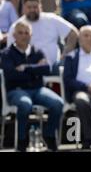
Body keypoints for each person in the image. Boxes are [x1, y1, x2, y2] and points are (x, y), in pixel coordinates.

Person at [1, 20, 63, 151]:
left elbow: (47, 69)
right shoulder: (6, 54)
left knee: (58, 102)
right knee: (25, 104)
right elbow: (11, 75)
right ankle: (22, 141)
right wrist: (35, 70)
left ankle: (49, 134)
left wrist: (25, 68)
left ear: (31, 35)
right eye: (20, 33)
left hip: (38, 89)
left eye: (26, 33)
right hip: (16, 91)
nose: (24, 35)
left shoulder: (37, 52)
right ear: (14, 35)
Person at [7, 0, 78, 70]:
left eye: (35, 7)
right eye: (29, 7)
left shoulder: (51, 19)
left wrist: (65, 54)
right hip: (29, 69)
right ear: (23, 8)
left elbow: (73, 32)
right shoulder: (16, 26)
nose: (32, 10)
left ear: (41, 7)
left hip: (55, 66)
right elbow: (10, 50)